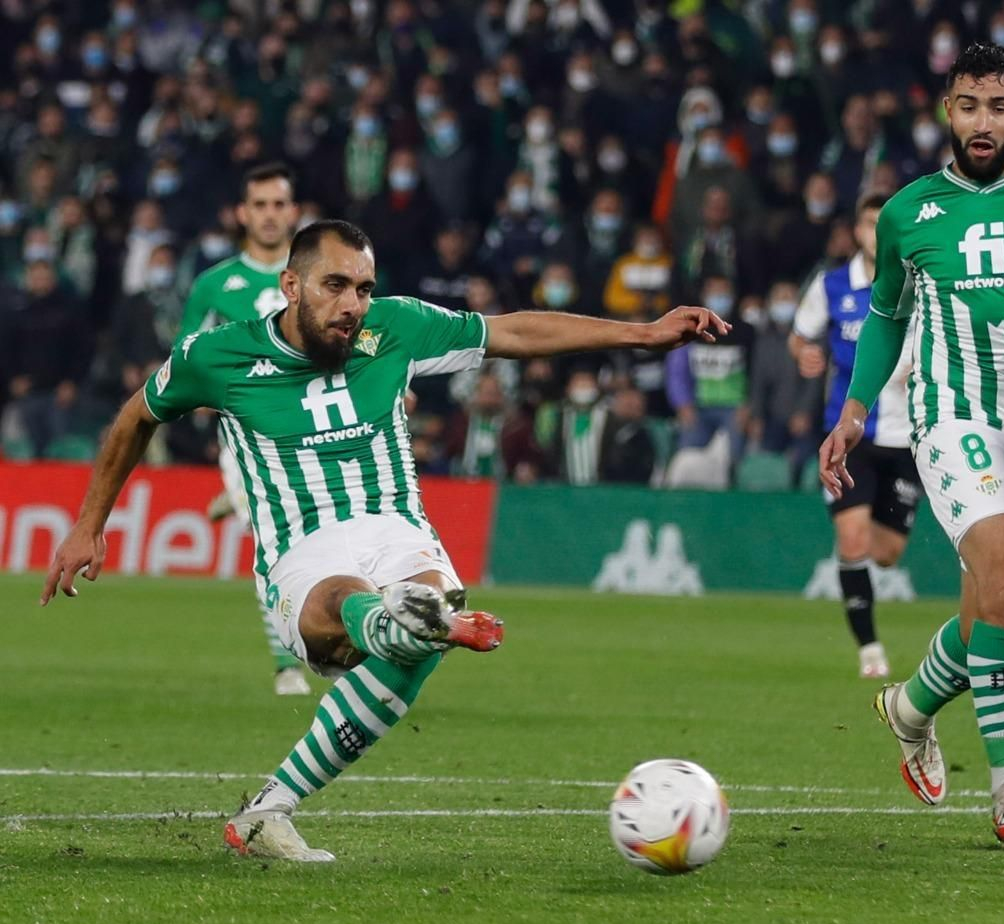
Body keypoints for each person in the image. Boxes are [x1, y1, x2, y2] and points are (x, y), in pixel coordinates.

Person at [40, 219, 727, 862]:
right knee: (351, 603)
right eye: (335, 284)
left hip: (397, 529)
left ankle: (271, 803)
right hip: (302, 546)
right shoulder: (217, 357)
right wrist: (88, 523)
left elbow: (512, 331)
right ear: (292, 286)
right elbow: (137, 416)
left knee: (417, 617)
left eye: (363, 287)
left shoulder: (395, 328)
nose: (353, 303)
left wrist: (642, 334)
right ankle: (401, 622)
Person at [818, 43, 1004, 845]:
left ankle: (910, 705)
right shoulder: (908, 212)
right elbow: (886, 316)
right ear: (945, 112)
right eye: (967, 106)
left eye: (997, 107)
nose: (981, 122)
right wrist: (854, 410)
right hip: (952, 417)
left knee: (997, 603)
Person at [179, 162, 308, 696]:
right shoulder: (214, 286)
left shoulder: (319, 276)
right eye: (260, 205)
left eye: (279, 204)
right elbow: (185, 360)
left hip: (314, 430)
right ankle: (287, 665)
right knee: (271, 542)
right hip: (246, 437)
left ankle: (232, 500)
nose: (271, 215)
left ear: (294, 212)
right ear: (242, 213)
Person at [792, 194, 920, 680]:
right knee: (852, 539)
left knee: (886, 554)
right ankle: (869, 650)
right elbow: (800, 335)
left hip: (908, 438)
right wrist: (804, 354)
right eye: (869, 223)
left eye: (883, 225)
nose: (876, 233)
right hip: (850, 434)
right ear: (857, 230)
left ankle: (860, 582)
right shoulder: (831, 285)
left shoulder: (920, 280)